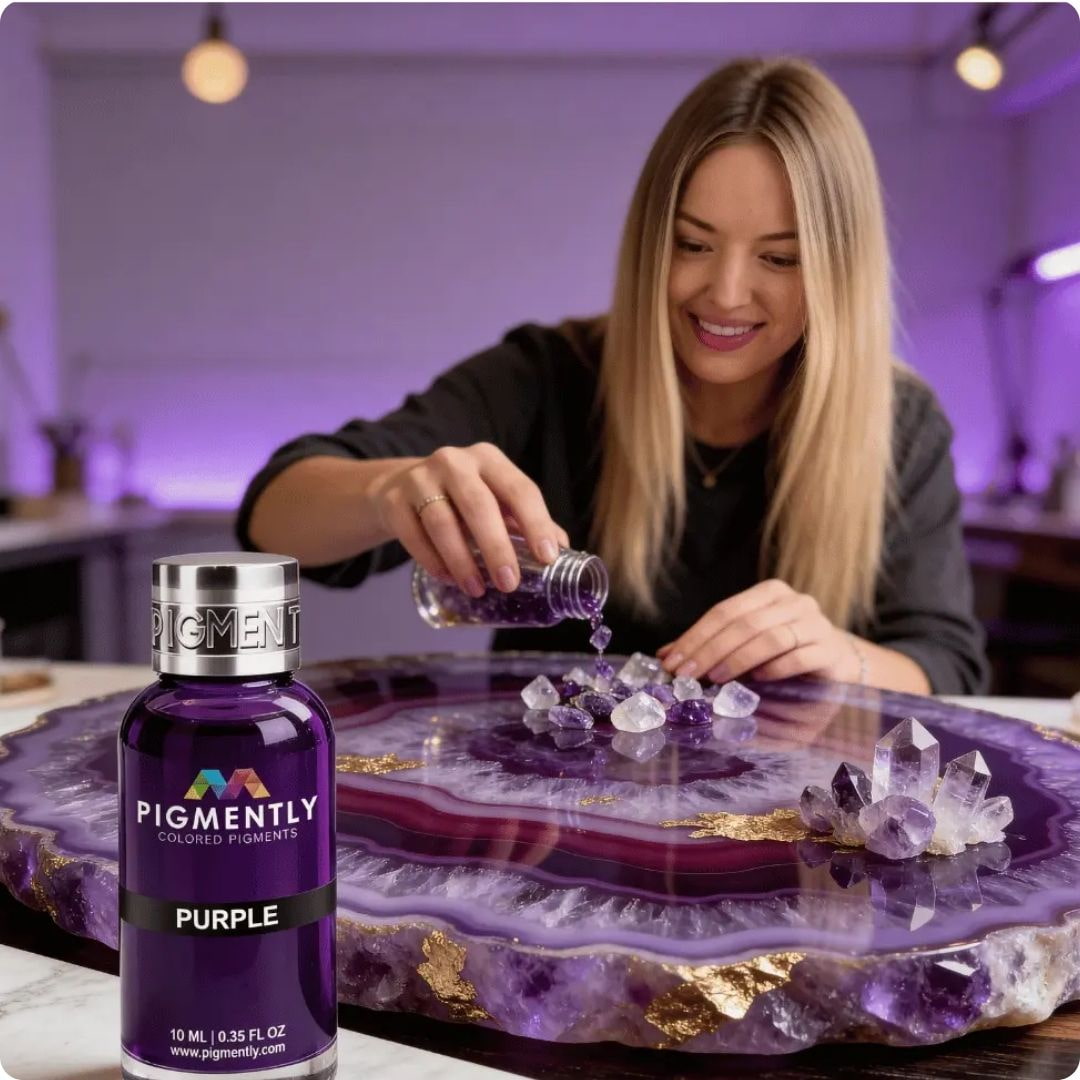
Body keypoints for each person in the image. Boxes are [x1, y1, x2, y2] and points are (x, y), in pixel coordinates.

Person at [237, 56, 988, 696]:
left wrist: (843, 656)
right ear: (648, 239)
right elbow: (273, 516)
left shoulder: (900, 424)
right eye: (692, 245)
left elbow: (949, 666)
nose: (725, 294)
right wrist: (384, 490)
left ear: (839, 270)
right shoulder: (547, 376)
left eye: (779, 258)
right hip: (546, 818)